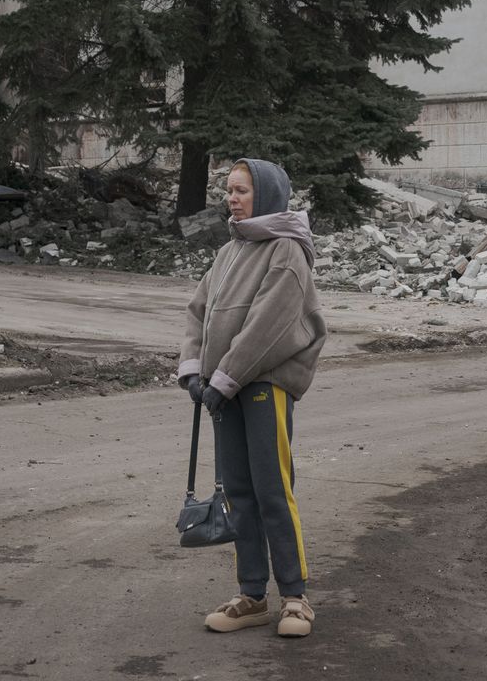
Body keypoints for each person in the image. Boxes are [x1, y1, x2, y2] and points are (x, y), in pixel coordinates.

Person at [178, 158, 328, 639]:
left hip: (264, 386)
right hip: (225, 387)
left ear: (264, 196)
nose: (232, 199)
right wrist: (193, 371)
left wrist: (222, 379)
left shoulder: (285, 250)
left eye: (241, 191)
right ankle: (252, 596)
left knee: (272, 490)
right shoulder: (231, 252)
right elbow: (198, 312)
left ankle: (295, 598)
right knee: (238, 491)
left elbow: (268, 328)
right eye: (228, 191)